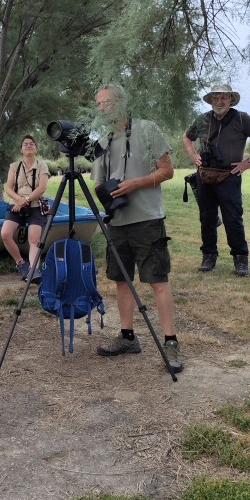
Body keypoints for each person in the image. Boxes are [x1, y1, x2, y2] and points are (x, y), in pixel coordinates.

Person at [91, 84, 182, 373]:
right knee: (121, 280)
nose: (102, 108)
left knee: (157, 280)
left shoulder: (147, 129)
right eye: (99, 104)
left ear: (121, 102)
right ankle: (127, 337)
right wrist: (108, 193)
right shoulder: (102, 140)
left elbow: (167, 170)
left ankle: (170, 342)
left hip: (147, 218)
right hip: (117, 221)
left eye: (107, 102)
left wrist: (134, 183)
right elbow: (96, 182)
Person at [182, 84, 250, 277]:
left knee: (233, 218)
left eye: (224, 97)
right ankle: (208, 256)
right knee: (207, 217)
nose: (219, 101)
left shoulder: (242, 118)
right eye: (215, 97)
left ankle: (240, 258)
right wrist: (193, 155)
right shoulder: (203, 119)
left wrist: (248, 162)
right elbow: (187, 137)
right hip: (204, 175)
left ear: (231, 100)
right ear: (211, 100)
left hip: (229, 176)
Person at [0, 135, 51, 282]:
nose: (28, 146)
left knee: (34, 238)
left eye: (31, 144)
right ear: (21, 149)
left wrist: (26, 200)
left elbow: (42, 188)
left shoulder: (42, 166)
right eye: (25, 144)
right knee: (5, 234)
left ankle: (34, 270)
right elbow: (8, 188)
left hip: (35, 204)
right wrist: (19, 200)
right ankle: (21, 264)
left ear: (36, 148)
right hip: (16, 204)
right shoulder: (14, 166)